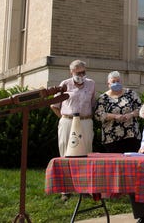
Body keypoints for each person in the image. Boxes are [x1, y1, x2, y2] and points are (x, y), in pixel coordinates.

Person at [50, 60, 96, 201]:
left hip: (85, 121)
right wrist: (65, 118)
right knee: (65, 152)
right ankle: (65, 189)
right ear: (71, 72)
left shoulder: (91, 84)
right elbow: (54, 105)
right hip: (68, 121)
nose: (81, 75)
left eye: (83, 72)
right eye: (78, 72)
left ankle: (85, 187)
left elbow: (93, 103)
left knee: (86, 152)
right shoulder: (64, 84)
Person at [94, 71, 142, 153]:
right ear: (108, 84)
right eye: (113, 81)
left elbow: (141, 108)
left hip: (131, 135)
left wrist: (131, 114)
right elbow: (98, 115)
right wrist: (114, 116)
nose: (116, 83)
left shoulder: (130, 93)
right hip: (111, 137)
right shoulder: (103, 98)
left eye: (118, 81)